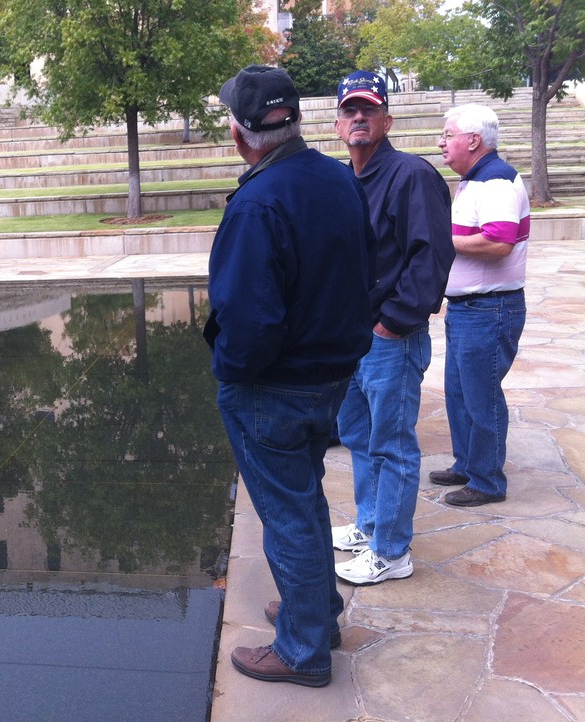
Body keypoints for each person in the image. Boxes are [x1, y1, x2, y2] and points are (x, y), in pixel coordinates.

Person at [205, 65, 373, 687]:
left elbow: (250, 320)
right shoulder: (337, 177)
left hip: (274, 386)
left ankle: (303, 651)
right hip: (331, 374)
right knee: (303, 499)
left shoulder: (257, 203)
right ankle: (316, 614)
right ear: (296, 120)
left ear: (240, 134)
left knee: (288, 516)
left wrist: (230, 373)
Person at [329, 71, 455, 586]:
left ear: (387, 120)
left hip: (389, 339)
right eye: (350, 110)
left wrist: (393, 324)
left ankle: (392, 550)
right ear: (337, 125)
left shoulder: (411, 175)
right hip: (351, 338)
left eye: (369, 109)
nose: (359, 117)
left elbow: (432, 256)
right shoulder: (344, 180)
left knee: (392, 445)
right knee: (359, 438)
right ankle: (370, 524)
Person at [430, 104, 529, 507]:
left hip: (489, 309)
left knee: (481, 397)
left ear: (473, 140)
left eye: (448, 134)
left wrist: (441, 240)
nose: (441, 142)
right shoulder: (475, 179)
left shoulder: (496, 180)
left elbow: (499, 242)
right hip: (471, 309)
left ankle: (487, 481)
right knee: (459, 392)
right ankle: (468, 464)